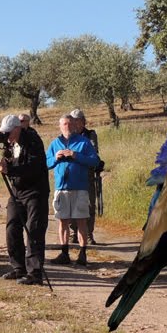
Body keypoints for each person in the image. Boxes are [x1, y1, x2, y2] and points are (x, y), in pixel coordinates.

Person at [0, 114, 50, 285]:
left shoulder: (33, 141)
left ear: (17, 129)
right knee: (12, 227)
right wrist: (5, 162)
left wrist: (9, 169)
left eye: (9, 132)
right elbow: (11, 160)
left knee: (33, 229)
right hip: (17, 191)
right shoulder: (10, 144)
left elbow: (32, 167)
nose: (6, 136)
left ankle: (34, 272)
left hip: (35, 191)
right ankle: (18, 267)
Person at [47, 114, 100, 266]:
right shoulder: (55, 143)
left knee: (81, 221)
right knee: (62, 221)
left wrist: (75, 155)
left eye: (70, 124)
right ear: (60, 126)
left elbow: (94, 161)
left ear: (75, 125)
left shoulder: (83, 142)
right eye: (64, 124)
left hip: (80, 188)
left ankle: (83, 254)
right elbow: (45, 163)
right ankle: (64, 253)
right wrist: (55, 158)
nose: (67, 127)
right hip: (61, 188)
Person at [69, 109, 101, 246]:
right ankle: (73, 233)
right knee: (71, 204)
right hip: (71, 174)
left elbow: (93, 153)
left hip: (87, 173)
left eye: (78, 120)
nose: (75, 123)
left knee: (89, 204)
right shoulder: (67, 135)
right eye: (73, 120)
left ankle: (88, 234)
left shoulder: (90, 134)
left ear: (83, 121)